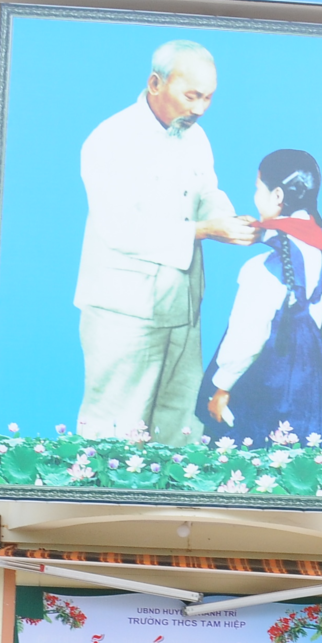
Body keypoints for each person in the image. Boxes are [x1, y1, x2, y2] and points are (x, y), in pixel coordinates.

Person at [75, 37, 254, 444]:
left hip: (182, 302)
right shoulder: (111, 138)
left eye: (208, 97)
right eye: (192, 96)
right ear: (155, 83)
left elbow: (207, 191)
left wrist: (227, 219)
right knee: (116, 424)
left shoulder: (196, 137)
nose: (200, 109)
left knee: (180, 418)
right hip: (123, 309)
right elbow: (118, 227)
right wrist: (205, 230)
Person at [197, 147, 322, 446]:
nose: (255, 196)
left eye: (257, 188)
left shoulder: (263, 267)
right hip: (308, 373)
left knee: (252, 447)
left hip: (268, 375)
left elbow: (247, 335)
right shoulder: (318, 245)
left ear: (277, 196)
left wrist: (222, 388)